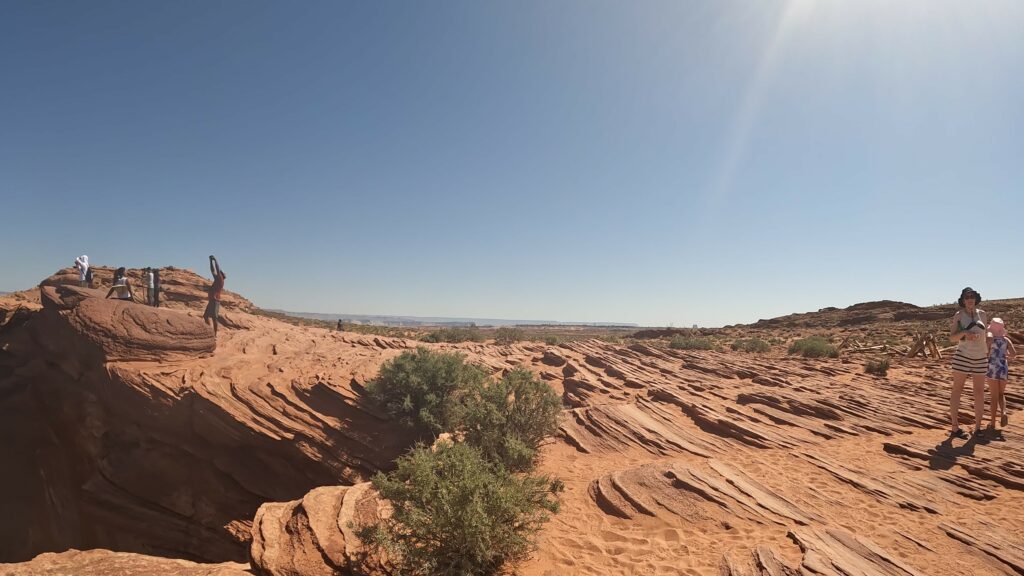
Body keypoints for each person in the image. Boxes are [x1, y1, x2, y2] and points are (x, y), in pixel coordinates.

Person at [948, 287, 988, 439]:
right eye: (967, 297)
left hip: (980, 357)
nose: (970, 299)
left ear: (976, 299)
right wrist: (965, 333)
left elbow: (985, 335)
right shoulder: (959, 315)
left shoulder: (983, 314)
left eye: (972, 296)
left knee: (979, 392)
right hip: (963, 356)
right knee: (957, 390)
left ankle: (978, 427)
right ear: (963, 300)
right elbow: (952, 338)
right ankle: (955, 427)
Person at [986, 318, 1016, 436]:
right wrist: (1006, 356)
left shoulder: (990, 340)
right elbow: (1013, 354)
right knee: (1001, 394)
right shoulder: (1006, 340)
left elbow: (985, 352)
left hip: (992, 367)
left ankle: (992, 423)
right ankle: (1003, 412)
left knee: (993, 396)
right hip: (1003, 367)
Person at [203, 256, 226, 336]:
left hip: (215, 301)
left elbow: (217, 269)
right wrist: (210, 261)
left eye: (219, 273)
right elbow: (212, 270)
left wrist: (215, 260)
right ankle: (210, 331)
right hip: (212, 301)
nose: (216, 274)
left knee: (214, 318)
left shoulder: (220, 279)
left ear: (222, 275)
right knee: (205, 316)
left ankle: (215, 334)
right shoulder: (217, 279)